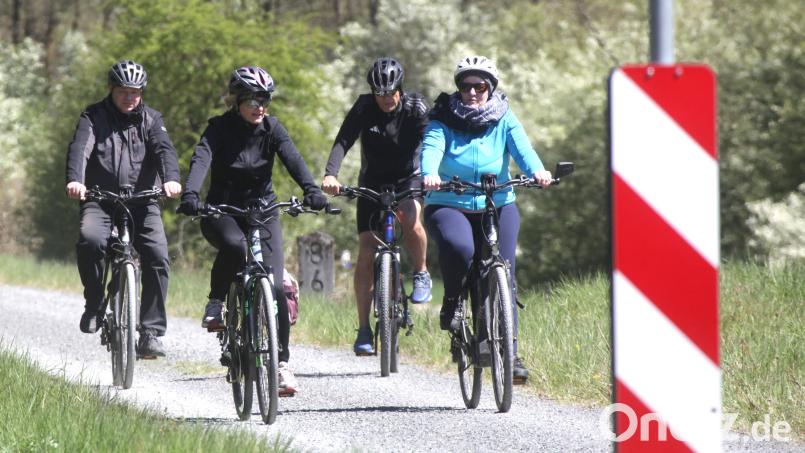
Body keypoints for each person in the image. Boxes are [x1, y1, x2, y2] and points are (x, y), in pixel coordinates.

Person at [176, 66, 328, 394]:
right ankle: (216, 302)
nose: (260, 106)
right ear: (237, 101)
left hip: (263, 211)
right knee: (235, 248)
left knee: (274, 287)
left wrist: (311, 189)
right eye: (252, 99)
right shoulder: (219, 129)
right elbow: (201, 159)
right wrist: (191, 194)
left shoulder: (272, 129)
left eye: (265, 99)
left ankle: (282, 364)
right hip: (222, 211)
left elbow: (294, 159)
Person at [420, 56, 553, 384]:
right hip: (449, 201)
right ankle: (452, 302)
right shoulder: (442, 119)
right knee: (461, 249)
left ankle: (509, 351)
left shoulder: (504, 118)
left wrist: (537, 171)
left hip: (498, 203)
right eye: (466, 86)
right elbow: (432, 148)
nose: (473, 92)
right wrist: (429, 174)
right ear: (459, 89)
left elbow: (523, 150)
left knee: (502, 272)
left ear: (490, 88)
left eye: (480, 86)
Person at [65, 59, 182, 358]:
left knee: (157, 255)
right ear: (111, 90)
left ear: (142, 92)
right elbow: (81, 148)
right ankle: (94, 303)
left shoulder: (152, 119)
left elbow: (164, 150)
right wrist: (76, 181)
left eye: (135, 92)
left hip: (143, 201)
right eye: (123, 92)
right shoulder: (93, 116)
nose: (129, 98)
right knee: (90, 241)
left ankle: (152, 332)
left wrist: (171, 179)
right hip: (100, 199)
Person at [321, 57, 432, 356]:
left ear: (400, 88)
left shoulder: (416, 107)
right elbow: (343, 139)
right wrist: (331, 173)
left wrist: (435, 174)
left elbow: (434, 141)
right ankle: (363, 329)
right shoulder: (364, 107)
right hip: (372, 181)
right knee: (366, 253)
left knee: (411, 219)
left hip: (408, 178)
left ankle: (421, 272)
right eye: (379, 92)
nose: (385, 98)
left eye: (390, 92)